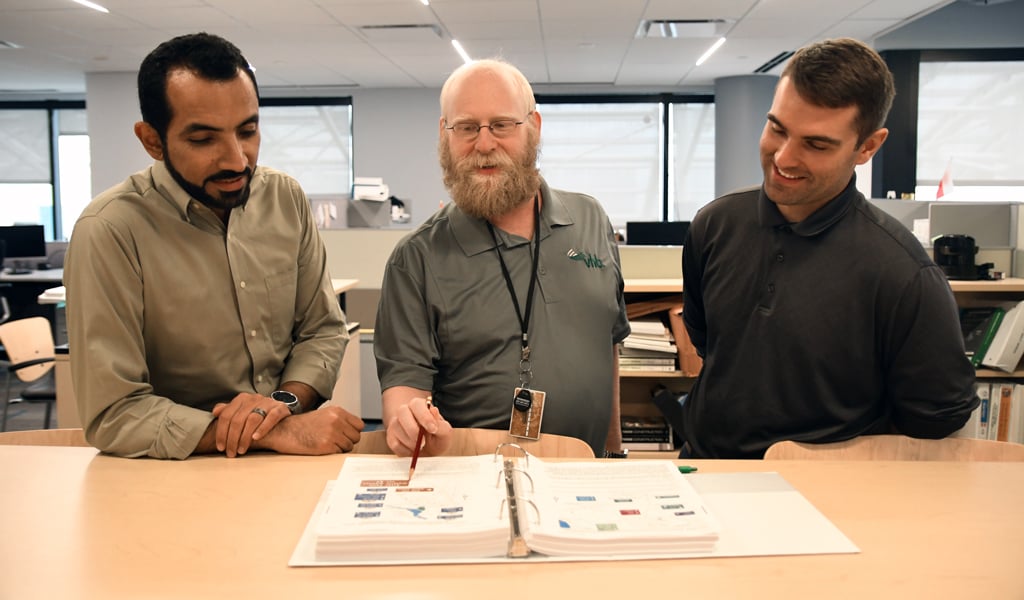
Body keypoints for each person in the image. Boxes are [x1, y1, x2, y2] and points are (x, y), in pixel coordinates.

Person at [64, 32, 363, 459]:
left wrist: (279, 407)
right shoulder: (110, 230)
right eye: (203, 139)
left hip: (291, 459)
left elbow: (321, 330)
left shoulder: (284, 198)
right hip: (174, 475)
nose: (236, 160)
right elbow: (113, 412)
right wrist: (270, 432)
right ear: (152, 140)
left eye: (247, 131)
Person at [681, 38, 979, 459]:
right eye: (777, 129)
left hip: (826, 492)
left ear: (868, 147)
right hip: (706, 471)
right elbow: (708, 341)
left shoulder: (903, 272)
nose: (784, 158)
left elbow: (937, 415)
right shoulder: (714, 225)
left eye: (816, 145)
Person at [374, 58, 630, 458]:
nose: (485, 143)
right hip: (473, 483)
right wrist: (409, 426)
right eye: (467, 127)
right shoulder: (416, 259)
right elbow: (404, 394)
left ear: (534, 127)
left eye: (501, 124)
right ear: (445, 135)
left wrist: (614, 453)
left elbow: (607, 344)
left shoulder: (591, 219)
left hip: (587, 478)